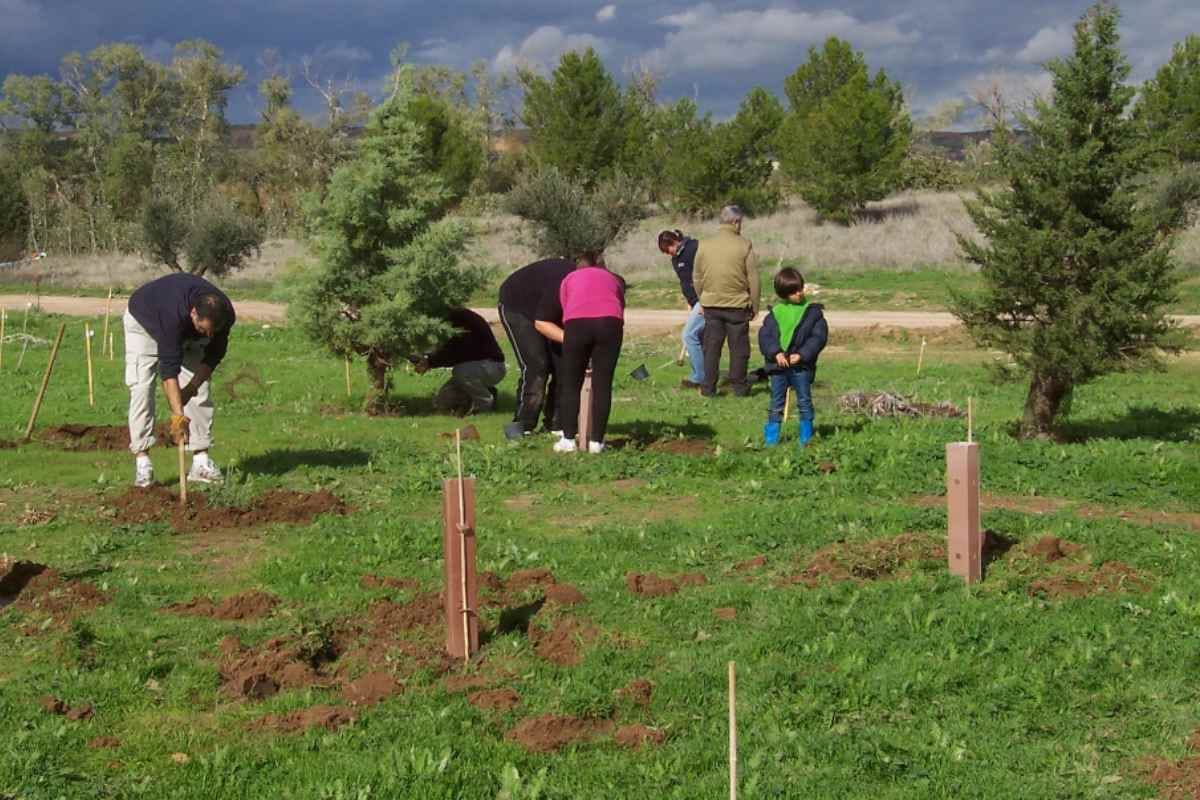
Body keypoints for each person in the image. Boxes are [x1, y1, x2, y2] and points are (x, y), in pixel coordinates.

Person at [124, 272, 236, 487]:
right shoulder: (171, 316)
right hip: (144, 323)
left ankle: (200, 463)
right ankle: (143, 462)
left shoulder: (223, 315)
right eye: (204, 330)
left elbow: (213, 356)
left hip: (186, 330)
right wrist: (178, 417)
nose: (210, 336)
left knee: (201, 391)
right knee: (142, 387)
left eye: (213, 331)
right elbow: (168, 371)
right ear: (193, 313)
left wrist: (191, 388)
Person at [533, 251, 625, 454]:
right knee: (603, 384)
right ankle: (597, 443)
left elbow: (567, 308)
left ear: (578, 266)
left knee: (570, 383)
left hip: (577, 323)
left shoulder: (568, 279)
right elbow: (619, 304)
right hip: (611, 323)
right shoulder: (613, 278)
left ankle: (567, 440)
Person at [497, 257, 575, 436]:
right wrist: (574, 341)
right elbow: (542, 324)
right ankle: (522, 426)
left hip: (550, 307)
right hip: (518, 306)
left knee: (564, 366)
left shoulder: (595, 295)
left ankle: (556, 424)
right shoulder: (561, 287)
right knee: (537, 366)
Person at [694, 205, 760, 397]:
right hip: (737, 305)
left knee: (711, 348)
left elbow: (697, 277)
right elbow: (753, 278)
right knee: (739, 348)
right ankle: (739, 387)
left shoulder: (704, 245)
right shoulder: (744, 244)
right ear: (735, 222)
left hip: (711, 304)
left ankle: (708, 388)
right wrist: (755, 306)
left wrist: (702, 299)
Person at [758, 267, 827, 447]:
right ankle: (771, 439)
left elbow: (818, 337)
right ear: (784, 294)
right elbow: (765, 337)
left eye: (800, 288)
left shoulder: (813, 312)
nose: (799, 292)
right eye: (794, 291)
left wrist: (802, 355)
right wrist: (776, 353)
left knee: (804, 400)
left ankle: (806, 438)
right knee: (776, 402)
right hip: (778, 368)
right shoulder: (776, 313)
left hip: (801, 367)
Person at [413, 307, 506, 415]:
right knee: (441, 402)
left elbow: (456, 352)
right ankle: (479, 394)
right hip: (475, 368)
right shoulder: (452, 318)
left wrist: (430, 362)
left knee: (460, 371)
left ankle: (484, 404)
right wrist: (428, 359)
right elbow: (448, 349)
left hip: (491, 366)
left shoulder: (462, 319)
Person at [657, 229, 704, 389]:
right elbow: (685, 280)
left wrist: (703, 300)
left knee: (689, 335)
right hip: (695, 302)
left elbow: (705, 274)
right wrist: (690, 301)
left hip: (705, 300)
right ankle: (706, 374)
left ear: (673, 242)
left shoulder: (694, 248)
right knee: (700, 338)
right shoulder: (675, 260)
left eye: (667, 250)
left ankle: (699, 377)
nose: (668, 254)